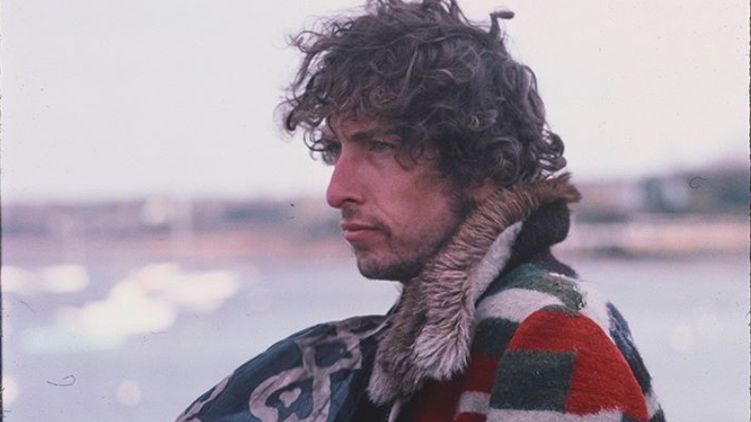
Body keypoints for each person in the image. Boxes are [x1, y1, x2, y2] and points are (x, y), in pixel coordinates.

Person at [177, 1, 665, 421]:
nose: (336, 191)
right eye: (337, 149)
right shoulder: (431, 340)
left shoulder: (549, 330)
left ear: (480, 166)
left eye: (381, 146)